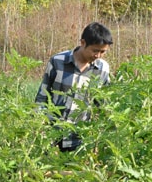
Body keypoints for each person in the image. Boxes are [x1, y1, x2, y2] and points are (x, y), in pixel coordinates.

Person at [35, 22, 112, 152]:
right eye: (95, 50)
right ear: (83, 43)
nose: (98, 55)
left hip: (79, 138)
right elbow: (42, 95)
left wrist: (101, 136)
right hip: (50, 133)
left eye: (103, 52)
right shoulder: (58, 61)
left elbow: (103, 105)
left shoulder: (103, 69)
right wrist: (37, 127)